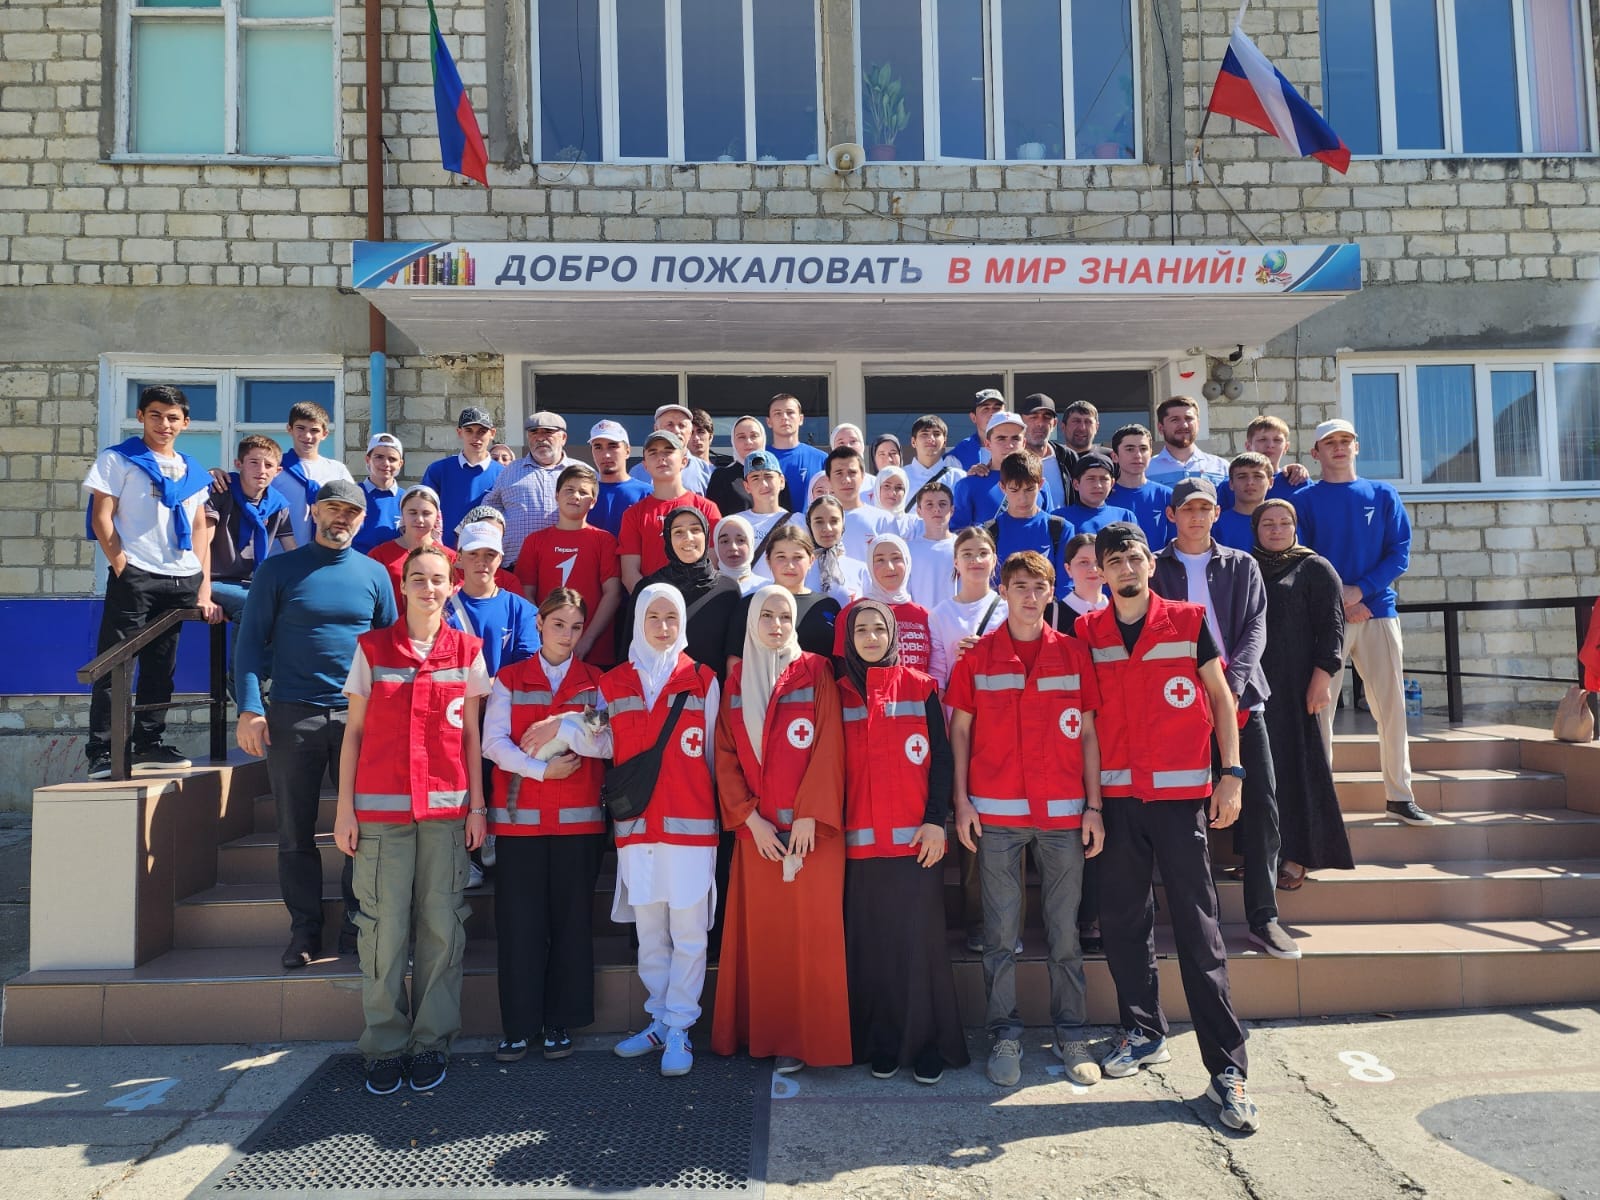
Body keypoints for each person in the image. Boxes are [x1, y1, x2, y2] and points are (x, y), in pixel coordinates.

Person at [1082, 522, 1259, 1134]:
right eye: (1114, 561)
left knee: (1198, 930)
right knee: (1125, 922)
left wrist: (1231, 774)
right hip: (1118, 799)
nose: (1126, 569)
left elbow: (1219, 698)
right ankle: (1142, 1031)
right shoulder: (1087, 631)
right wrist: (1093, 805)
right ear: (1099, 574)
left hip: (1182, 797)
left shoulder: (1185, 621)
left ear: (1148, 566)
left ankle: (1228, 1071)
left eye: (1134, 558)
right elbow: (1084, 721)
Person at [332, 543, 491, 1095]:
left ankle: (430, 1041)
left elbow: (471, 734)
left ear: (453, 585)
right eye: (418, 579)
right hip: (379, 815)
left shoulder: (468, 650)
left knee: (442, 930)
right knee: (382, 932)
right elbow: (352, 734)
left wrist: (477, 807)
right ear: (402, 587)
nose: (429, 588)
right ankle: (384, 1043)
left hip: (447, 817)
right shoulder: (372, 649)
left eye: (439, 579)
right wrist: (344, 809)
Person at [950, 549, 1105, 1088]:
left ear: (1049, 590)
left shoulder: (1073, 654)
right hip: (996, 815)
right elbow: (960, 734)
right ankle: (1005, 1032)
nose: (1030, 596)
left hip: (1063, 814)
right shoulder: (978, 657)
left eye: (1039, 587)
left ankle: (1071, 1033)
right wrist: (963, 803)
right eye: (1019, 586)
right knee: (1000, 935)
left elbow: (1087, 733)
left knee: (1064, 932)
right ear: (1004, 589)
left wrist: (1094, 806)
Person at [236, 479, 397, 969]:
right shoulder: (278, 570)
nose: (341, 518)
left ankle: (355, 921)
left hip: (359, 716)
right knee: (295, 831)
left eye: (351, 511)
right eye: (332, 508)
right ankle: (304, 929)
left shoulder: (374, 574)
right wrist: (249, 707)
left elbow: (391, 651)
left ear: (362, 519)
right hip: (293, 713)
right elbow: (248, 644)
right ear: (315, 510)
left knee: (365, 827)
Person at [571, 585, 721, 1077]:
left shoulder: (703, 680)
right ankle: (658, 1018)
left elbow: (717, 759)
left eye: (671, 618)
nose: (662, 627)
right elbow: (600, 742)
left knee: (689, 933)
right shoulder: (612, 684)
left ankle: (680, 1024)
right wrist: (559, 727)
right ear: (638, 621)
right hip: (637, 829)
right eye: (653, 616)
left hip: (692, 830)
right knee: (651, 932)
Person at [1151, 478, 1294, 960]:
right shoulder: (1152, 566)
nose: (1196, 516)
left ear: (1217, 514)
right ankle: (1192, 923)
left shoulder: (1243, 565)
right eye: (1187, 508)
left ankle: (1264, 917)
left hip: (1241, 701)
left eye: (1205, 508)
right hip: (1177, 709)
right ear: (1172, 515)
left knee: (1262, 807)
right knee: (1180, 815)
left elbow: (1256, 627)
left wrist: (1230, 688)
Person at [712, 586, 851, 1071]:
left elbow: (830, 743)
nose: (776, 624)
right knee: (766, 938)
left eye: (784, 616)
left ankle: (810, 1039)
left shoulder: (816, 672)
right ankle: (769, 1036)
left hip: (814, 834)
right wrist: (750, 819)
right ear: (752, 622)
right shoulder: (736, 683)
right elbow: (724, 759)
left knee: (813, 936)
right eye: (766, 615)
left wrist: (811, 813)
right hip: (760, 836)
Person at [836, 600, 969, 1084]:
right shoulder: (836, 693)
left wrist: (938, 822)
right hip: (859, 848)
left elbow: (941, 760)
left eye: (879, 629)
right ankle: (883, 1042)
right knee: (872, 950)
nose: (870, 638)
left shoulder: (920, 687)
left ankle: (927, 1044)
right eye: (861, 631)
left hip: (918, 843)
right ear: (849, 639)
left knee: (920, 949)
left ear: (893, 635)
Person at [481, 587, 608, 1063]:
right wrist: (541, 771)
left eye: (576, 627)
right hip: (519, 827)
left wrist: (566, 721)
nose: (567, 635)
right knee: (520, 927)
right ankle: (518, 1026)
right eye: (559, 625)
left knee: (572, 925)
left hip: (579, 826)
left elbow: (607, 743)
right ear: (539, 624)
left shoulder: (595, 680)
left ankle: (560, 1022)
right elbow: (493, 744)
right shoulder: (510, 677)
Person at [1298, 418, 1433, 825]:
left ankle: (1399, 795)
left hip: (1378, 612)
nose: (1339, 448)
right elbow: (1302, 556)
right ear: (1315, 453)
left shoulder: (1383, 494)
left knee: (1390, 708)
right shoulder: (1304, 500)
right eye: (1330, 442)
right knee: (1319, 709)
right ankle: (1322, 803)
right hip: (1326, 618)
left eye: (1346, 441)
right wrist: (1342, 598)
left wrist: (1364, 592)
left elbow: (1399, 553)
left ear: (1356, 447)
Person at [82, 383, 222, 778]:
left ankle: (148, 742)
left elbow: (200, 529)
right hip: (138, 574)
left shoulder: (193, 470)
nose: (165, 424)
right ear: (141, 416)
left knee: (163, 666)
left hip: (179, 578)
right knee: (115, 662)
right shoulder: (119, 460)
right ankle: (103, 750)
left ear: (186, 422)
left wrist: (201, 581)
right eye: (156, 415)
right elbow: (102, 516)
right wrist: (122, 562)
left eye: (173, 417)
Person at [1252, 500, 1352, 890]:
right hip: (1256, 684)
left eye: (1284, 523)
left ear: (1295, 527)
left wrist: (1322, 677)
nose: (1276, 530)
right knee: (1262, 770)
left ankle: (1298, 854)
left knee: (1296, 768)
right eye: (1267, 524)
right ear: (1256, 529)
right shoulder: (1247, 566)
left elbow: (1332, 626)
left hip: (1298, 684)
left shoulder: (1315, 568)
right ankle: (1262, 855)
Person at [928, 527, 1008, 953]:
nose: (976, 560)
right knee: (963, 822)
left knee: (996, 829)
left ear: (994, 559)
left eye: (984, 553)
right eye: (968, 553)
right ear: (955, 562)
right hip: (958, 728)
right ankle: (967, 922)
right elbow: (936, 678)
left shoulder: (1009, 607)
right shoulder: (939, 614)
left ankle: (995, 923)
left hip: (1003, 732)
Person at [204, 435, 294, 698]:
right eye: (253, 462)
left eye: (268, 465)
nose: (261, 470)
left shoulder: (277, 505)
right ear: (238, 464)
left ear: (278, 471)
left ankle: (264, 676)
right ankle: (240, 681)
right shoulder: (220, 492)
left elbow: (293, 550)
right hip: (212, 578)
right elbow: (202, 543)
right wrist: (201, 591)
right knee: (252, 606)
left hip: (250, 582)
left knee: (293, 607)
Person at [513, 463, 623, 668]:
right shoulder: (535, 541)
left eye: (583, 492)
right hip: (546, 651)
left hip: (594, 653)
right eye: (569, 490)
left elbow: (613, 594)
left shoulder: (604, 541)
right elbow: (525, 593)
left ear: (593, 502)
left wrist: (587, 639)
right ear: (557, 496)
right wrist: (545, 633)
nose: (576, 496)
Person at [627, 507, 743, 677]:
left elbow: (733, 655)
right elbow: (630, 650)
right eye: (678, 532)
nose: (688, 538)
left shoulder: (727, 588)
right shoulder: (648, 588)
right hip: (657, 695)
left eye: (695, 530)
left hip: (713, 694)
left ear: (706, 535)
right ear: (668, 539)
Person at [618, 430, 723, 590]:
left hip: (697, 602)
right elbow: (630, 573)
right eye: (653, 453)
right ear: (645, 465)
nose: (661, 458)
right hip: (652, 607)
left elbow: (713, 564)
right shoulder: (633, 514)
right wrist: (655, 603)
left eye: (668, 451)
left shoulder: (707, 508)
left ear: (684, 461)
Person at [482, 411, 584, 567]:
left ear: (563, 438)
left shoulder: (582, 472)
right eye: (533, 432)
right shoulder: (509, 471)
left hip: (567, 564)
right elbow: (489, 511)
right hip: (515, 565)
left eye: (548, 432)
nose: (540, 438)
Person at [732, 525, 841, 662]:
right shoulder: (750, 604)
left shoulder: (827, 605)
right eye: (781, 557)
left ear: (811, 560)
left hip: (820, 682)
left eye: (797, 557)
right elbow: (735, 661)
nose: (789, 565)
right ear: (768, 560)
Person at [446, 522, 540, 678]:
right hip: (457, 700)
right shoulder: (443, 610)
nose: (481, 561)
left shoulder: (522, 610)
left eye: (490, 554)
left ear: (500, 559)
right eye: (473, 553)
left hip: (506, 700)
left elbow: (528, 665)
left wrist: (490, 687)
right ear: (460, 558)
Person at [834, 535, 933, 671]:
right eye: (880, 560)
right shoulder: (852, 613)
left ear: (907, 561)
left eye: (896, 558)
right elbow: (842, 671)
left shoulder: (925, 616)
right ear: (869, 564)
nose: (889, 567)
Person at [986, 452, 1072, 598]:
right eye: (1014, 490)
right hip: (1001, 615)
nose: (1022, 498)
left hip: (1047, 615)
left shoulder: (1060, 528)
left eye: (1029, 489)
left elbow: (1066, 585)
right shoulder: (989, 531)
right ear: (1002, 487)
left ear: (1041, 485)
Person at [272, 399, 355, 547]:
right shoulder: (272, 467)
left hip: (325, 555)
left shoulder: (337, 470)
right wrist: (217, 474)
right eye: (301, 428)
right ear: (289, 429)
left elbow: (353, 510)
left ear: (325, 434)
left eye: (314, 430)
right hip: (279, 555)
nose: (307, 436)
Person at [953, 413, 1056, 529]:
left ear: (1024, 443)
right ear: (987, 444)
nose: (1009, 445)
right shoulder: (968, 485)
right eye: (1001, 438)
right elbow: (957, 533)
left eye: (1015, 438)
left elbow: (1051, 529)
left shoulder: (1038, 483)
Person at [420, 406, 504, 549]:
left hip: (485, 556)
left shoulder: (504, 474)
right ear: (459, 432)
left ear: (492, 433)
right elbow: (424, 510)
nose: (475, 437)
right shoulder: (438, 470)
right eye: (469, 431)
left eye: (482, 431)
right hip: (443, 553)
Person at [819, 445, 916, 562]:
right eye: (839, 473)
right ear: (829, 479)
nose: (846, 480)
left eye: (852, 472)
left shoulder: (884, 520)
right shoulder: (816, 521)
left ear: (863, 476)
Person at [368, 484, 455, 610]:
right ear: (402, 514)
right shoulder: (379, 555)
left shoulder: (450, 557)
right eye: (413, 513)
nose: (419, 519)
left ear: (437, 516)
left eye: (426, 513)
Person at [1216, 415, 1310, 509]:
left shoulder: (1298, 481)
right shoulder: (1229, 486)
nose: (1270, 445)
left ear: (1286, 447)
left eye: (1277, 440)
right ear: (1248, 446)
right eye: (1262, 440)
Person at [707, 416, 793, 516]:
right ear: (733, 441)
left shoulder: (775, 473)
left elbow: (786, 516)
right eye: (741, 437)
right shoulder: (721, 476)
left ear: (763, 438)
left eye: (754, 436)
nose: (748, 442)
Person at [1108, 424, 1174, 549]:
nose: (1137, 455)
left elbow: (1175, 543)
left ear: (1151, 454)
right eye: (1130, 449)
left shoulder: (1167, 495)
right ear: (1115, 456)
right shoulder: (1104, 497)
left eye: (1143, 449)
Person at [1147, 396, 1230, 489]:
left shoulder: (1222, 468)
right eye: (1175, 420)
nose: (1184, 425)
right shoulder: (1147, 470)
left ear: (1198, 424)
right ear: (1160, 428)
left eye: (1188, 418)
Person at [586, 419, 651, 539]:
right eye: (598, 447)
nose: (606, 455)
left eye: (613, 446)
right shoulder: (584, 494)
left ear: (627, 451)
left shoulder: (647, 493)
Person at [630, 403, 713, 494]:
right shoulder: (637, 473)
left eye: (682, 425)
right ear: (656, 429)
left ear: (690, 432)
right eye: (670, 425)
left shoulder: (708, 472)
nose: (677, 431)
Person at [801, 495, 868, 604]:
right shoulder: (800, 568)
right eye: (819, 521)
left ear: (843, 524)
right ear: (809, 525)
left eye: (834, 521)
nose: (827, 528)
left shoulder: (861, 570)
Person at [766, 393, 829, 503]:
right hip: (771, 520)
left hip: (810, 520)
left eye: (790, 412)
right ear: (769, 422)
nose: (784, 417)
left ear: (801, 419)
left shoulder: (821, 459)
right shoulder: (760, 459)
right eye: (777, 413)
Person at [1056, 452, 1138, 535]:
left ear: (1112, 483)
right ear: (1076, 484)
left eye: (1104, 479)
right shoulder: (1059, 519)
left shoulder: (1125, 517)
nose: (1098, 485)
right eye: (1091, 479)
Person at [906, 482, 957, 612]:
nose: (937, 509)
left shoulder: (962, 546)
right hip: (921, 623)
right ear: (919, 511)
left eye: (942, 504)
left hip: (956, 623)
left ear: (952, 510)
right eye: (929, 504)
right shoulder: (908, 550)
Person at [354, 432, 405, 554]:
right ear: (368, 459)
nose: (386, 463)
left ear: (400, 464)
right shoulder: (353, 495)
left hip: (393, 569)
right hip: (359, 566)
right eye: (379, 457)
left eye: (392, 459)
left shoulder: (407, 499)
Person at [1214, 452, 1275, 551]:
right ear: (1231, 484)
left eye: (1257, 476)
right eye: (1242, 477)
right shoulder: (1216, 524)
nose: (1250, 482)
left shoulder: (1283, 524)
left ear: (1270, 482)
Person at [1019, 393, 1071, 505]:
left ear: (1054, 423)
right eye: (1033, 417)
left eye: (1046, 417)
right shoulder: (1010, 459)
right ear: (1021, 421)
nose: (1040, 423)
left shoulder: (1067, 457)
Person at [737, 450, 792, 552]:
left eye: (768, 476)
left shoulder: (798, 521)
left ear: (781, 481)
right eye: (755, 478)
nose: (763, 484)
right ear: (747, 486)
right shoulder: (736, 523)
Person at [903, 414, 966, 501]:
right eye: (924, 434)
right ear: (913, 442)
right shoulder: (900, 476)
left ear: (944, 442)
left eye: (936, 434)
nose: (931, 438)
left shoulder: (958, 477)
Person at [950, 387, 1007, 470]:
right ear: (973, 418)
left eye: (997, 408)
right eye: (986, 409)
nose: (992, 414)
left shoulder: (1018, 447)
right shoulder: (960, 453)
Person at [714, 514, 761, 594]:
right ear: (716, 546)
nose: (733, 547)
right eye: (725, 541)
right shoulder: (706, 590)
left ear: (751, 544)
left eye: (741, 540)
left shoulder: (766, 588)